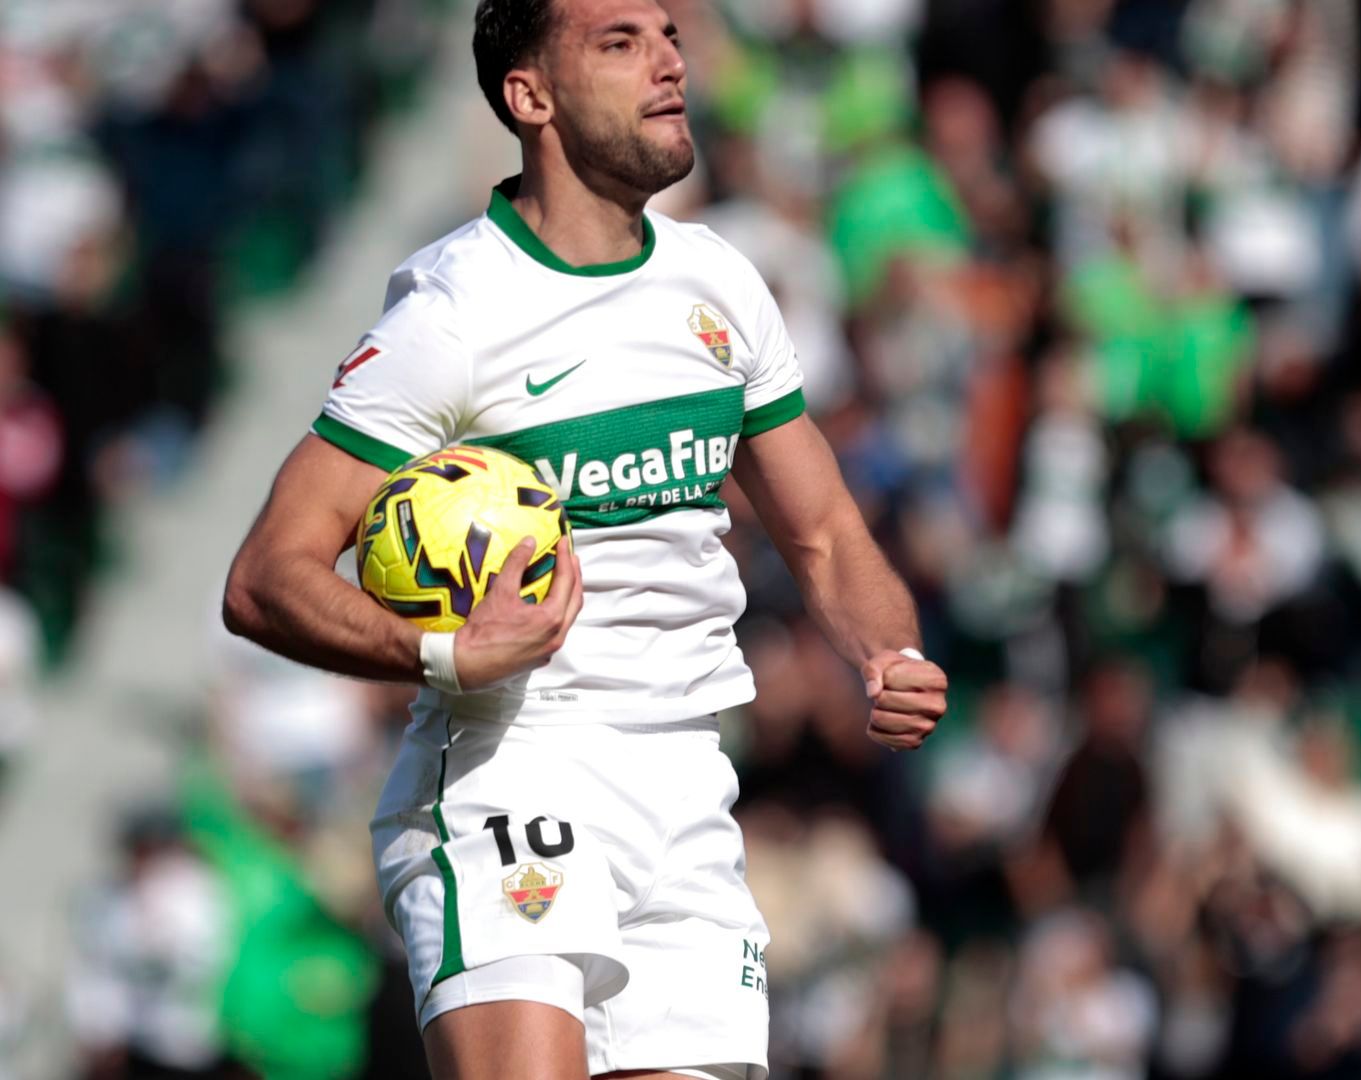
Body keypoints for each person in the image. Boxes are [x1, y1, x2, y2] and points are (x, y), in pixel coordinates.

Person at [219, 2, 949, 1077]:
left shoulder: (721, 284)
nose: (668, 61)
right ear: (531, 95)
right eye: (620, 41)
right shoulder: (455, 310)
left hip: (689, 782)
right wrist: (447, 656)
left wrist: (892, 654)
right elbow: (266, 574)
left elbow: (829, 535)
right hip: (514, 763)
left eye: (666, 33)